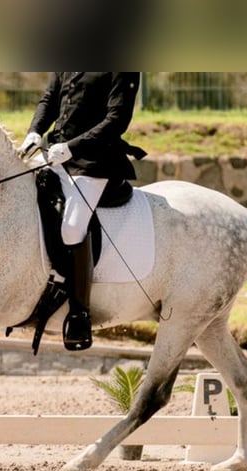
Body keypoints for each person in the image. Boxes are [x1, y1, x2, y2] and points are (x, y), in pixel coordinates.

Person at [19, 72, 145, 351]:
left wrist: (72, 148)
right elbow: (49, 99)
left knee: (73, 227)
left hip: (94, 162)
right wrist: (35, 131)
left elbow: (117, 119)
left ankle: (78, 314)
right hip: (55, 155)